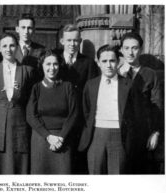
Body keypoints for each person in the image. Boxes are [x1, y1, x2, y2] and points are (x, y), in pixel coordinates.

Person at [78, 44, 134, 174]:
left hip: (119, 137)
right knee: (95, 175)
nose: (108, 65)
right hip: (96, 135)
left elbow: (133, 115)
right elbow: (86, 111)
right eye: (104, 61)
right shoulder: (91, 85)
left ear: (118, 62)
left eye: (112, 61)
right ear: (98, 63)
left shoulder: (128, 85)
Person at [0, 33, 36, 174]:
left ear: (17, 47)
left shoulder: (27, 71)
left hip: (19, 123)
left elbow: (31, 101)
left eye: (12, 45)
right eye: (4, 46)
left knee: (18, 161)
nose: (8, 49)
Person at [26, 50, 79, 174]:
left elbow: (74, 114)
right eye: (48, 64)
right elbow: (30, 116)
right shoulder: (36, 88)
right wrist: (48, 136)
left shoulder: (68, 87)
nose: (52, 68)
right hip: (41, 139)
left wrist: (60, 138)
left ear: (59, 66)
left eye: (55, 64)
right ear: (42, 66)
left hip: (63, 141)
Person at [118, 32, 163, 174]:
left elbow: (157, 104)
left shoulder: (150, 74)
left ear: (141, 50)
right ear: (121, 50)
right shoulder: (114, 72)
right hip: (118, 134)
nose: (130, 52)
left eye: (134, 48)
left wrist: (155, 132)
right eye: (126, 48)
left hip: (142, 134)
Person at [58, 24, 100, 174]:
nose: (72, 44)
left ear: (80, 41)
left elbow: (92, 94)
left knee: (76, 163)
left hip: (79, 120)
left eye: (76, 40)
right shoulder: (53, 59)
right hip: (57, 118)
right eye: (69, 40)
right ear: (62, 41)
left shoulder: (88, 63)